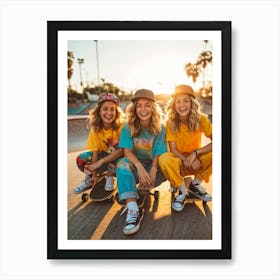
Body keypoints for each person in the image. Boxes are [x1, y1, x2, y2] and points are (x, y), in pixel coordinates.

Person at [116, 89, 167, 235]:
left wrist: (153, 169)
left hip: (152, 164)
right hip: (135, 163)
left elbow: (159, 151)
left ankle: (139, 190)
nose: (143, 109)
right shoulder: (128, 125)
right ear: (134, 108)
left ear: (153, 107)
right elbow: (127, 152)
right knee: (122, 164)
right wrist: (139, 167)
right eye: (139, 105)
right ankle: (133, 210)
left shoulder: (160, 127)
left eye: (147, 105)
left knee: (164, 165)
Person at [159, 84, 212, 212]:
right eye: (178, 101)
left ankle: (195, 185)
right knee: (164, 159)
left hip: (195, 159)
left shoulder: (202, 119)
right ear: (174, 104)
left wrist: (195, 154)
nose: (182, 105)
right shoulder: (170, 122)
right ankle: (182, 192)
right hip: (178, 158)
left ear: (192, 103)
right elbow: (173, 149)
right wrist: (186, 159)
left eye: (186, 101)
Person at [73, 93, 124, 194]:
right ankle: (89, 180)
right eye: (105, 109)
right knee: (81, 159)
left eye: (112, 109)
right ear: (99, 111)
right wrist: (94, 174)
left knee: (117, 152)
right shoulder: (96, 129)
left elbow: (122, 150)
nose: (109, 112)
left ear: (116, 112)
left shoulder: (122, 126)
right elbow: (95, 152)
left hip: (119, 158)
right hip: (104, 157)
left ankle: (110, 177)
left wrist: (107, 169)